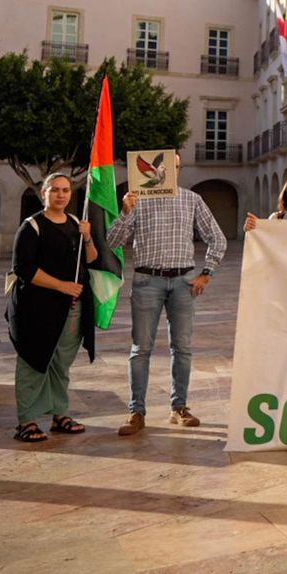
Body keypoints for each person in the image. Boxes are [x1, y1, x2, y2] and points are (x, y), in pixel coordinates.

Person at [112, 153, 228, 436]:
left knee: (182, 348)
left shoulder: (192, 199)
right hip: (146, 281)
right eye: (164, 167)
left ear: (179, 169)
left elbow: (217, 238)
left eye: (174, 167)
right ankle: (136, 412)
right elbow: (113, 240)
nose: (168, 172)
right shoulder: (137, 201)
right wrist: (125, 212)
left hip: (183, 283)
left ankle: (179, 408)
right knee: (141, 349)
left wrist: (206, 273)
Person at [7, 172, 97, 443]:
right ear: (43, 192)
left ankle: (60, 415)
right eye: (55, 189)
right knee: (34, 360)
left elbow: (91, 259)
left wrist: (88, 237)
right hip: (36, 309)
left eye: (65, 190)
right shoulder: (32, 226)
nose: (60, 195)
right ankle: (27, 421)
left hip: (71, 308)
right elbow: (23, 268)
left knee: (61, 363)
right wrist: (62, 286)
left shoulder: (75, 223)